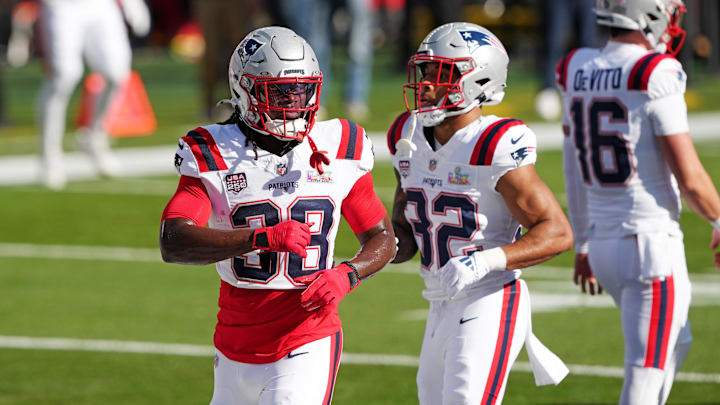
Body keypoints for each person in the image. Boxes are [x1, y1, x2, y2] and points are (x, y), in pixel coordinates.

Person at [159, 26, 395, 404]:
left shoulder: (339, 144)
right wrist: (260, 237)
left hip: (307, 337)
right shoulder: (213, 150)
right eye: (280, 92)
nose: (295, 102)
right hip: (233, 342)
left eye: (302, 89)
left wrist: (349, 273)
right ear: (245, 90)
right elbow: (174, 240)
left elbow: (382, 236)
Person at [388, 22, 573, 405]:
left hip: (489, 297)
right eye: (424, 71)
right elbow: (404, 236)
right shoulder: (405, 135)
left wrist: (482, 263)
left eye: (439, 73)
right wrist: (364, 248)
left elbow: (557, 232)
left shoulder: (494, 144)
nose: (425, 84)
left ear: (478, 81)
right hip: (438, 300)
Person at [557, 1, 720, 403]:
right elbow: (692, 180)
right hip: (649, 246)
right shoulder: (654, 71)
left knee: (676, 341)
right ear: (649, 14)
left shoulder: (576, 67)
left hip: (607, 249)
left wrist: (584, 243)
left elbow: (572, 167)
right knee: (644, 380)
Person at [37, 0, 150, 189]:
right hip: (62, 6)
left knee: (117, 72)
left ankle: (95, 137)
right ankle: (50, 155)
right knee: (64, 76)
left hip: (100, 5)